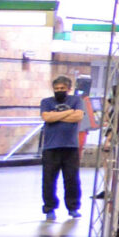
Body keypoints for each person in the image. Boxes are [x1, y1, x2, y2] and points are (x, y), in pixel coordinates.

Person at [37, 72, 86, 220]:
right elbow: (47, 117)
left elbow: (78, 116)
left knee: (72, 179)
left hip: (70, 147)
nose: (59, 90)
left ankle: (73, 208)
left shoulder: (76, 100)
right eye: (56, 88)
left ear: (69, 88)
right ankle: (49, 208)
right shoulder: (46, 102)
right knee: (49, 180)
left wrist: (56, 115)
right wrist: (68, 112)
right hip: (50, 148)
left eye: (62, 87)